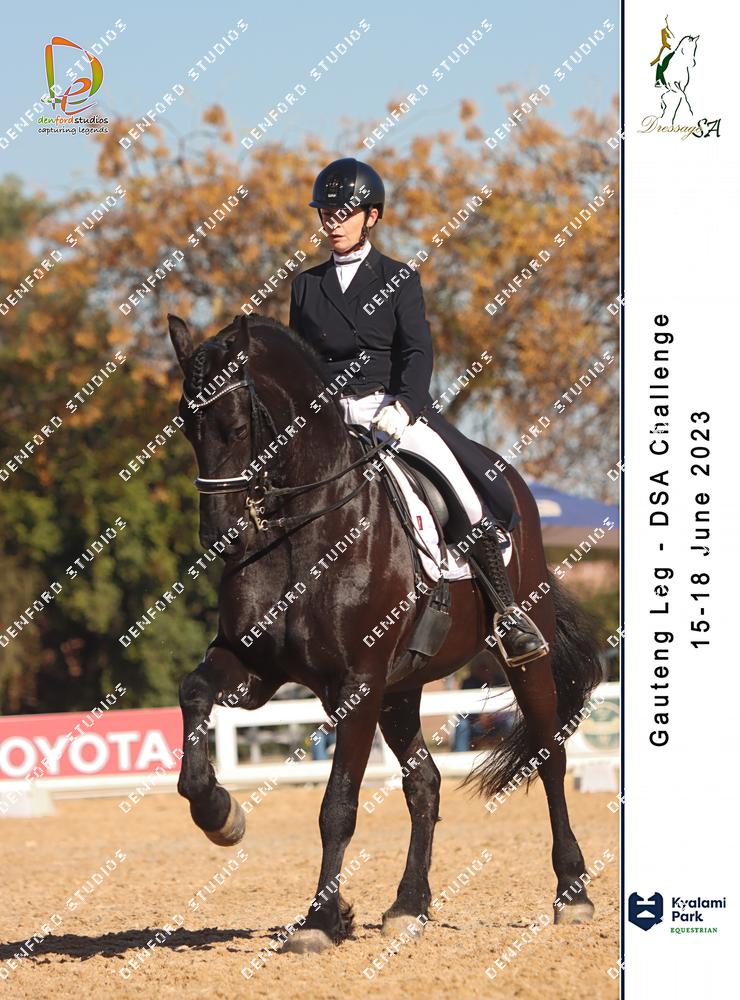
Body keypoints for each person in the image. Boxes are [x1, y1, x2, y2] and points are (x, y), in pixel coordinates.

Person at [288, 157, 547, 668]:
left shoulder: (398, 278)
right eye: (326, 213)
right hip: (330, 418)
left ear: (371, 216)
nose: (332, 223)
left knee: (461, 492)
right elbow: (300, 361)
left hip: (391, 409)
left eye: (343, 213)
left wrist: (404, 406)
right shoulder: (306, 286)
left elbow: (417, 352)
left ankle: (507, 613)